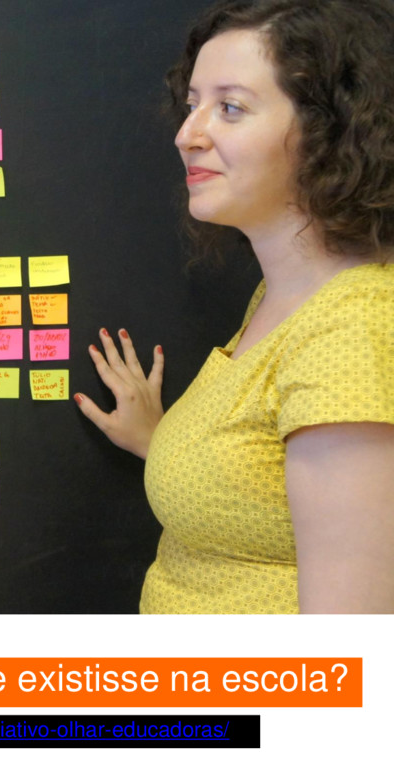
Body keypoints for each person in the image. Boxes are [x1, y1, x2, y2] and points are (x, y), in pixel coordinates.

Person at [74, 0, 394, 613]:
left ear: (330, 132)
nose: (187, 134)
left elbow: (349, 651)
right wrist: (165, 443)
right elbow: (268, 494)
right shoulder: (285, 297)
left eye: (230, 108)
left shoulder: (353, 331)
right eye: (193, 103)